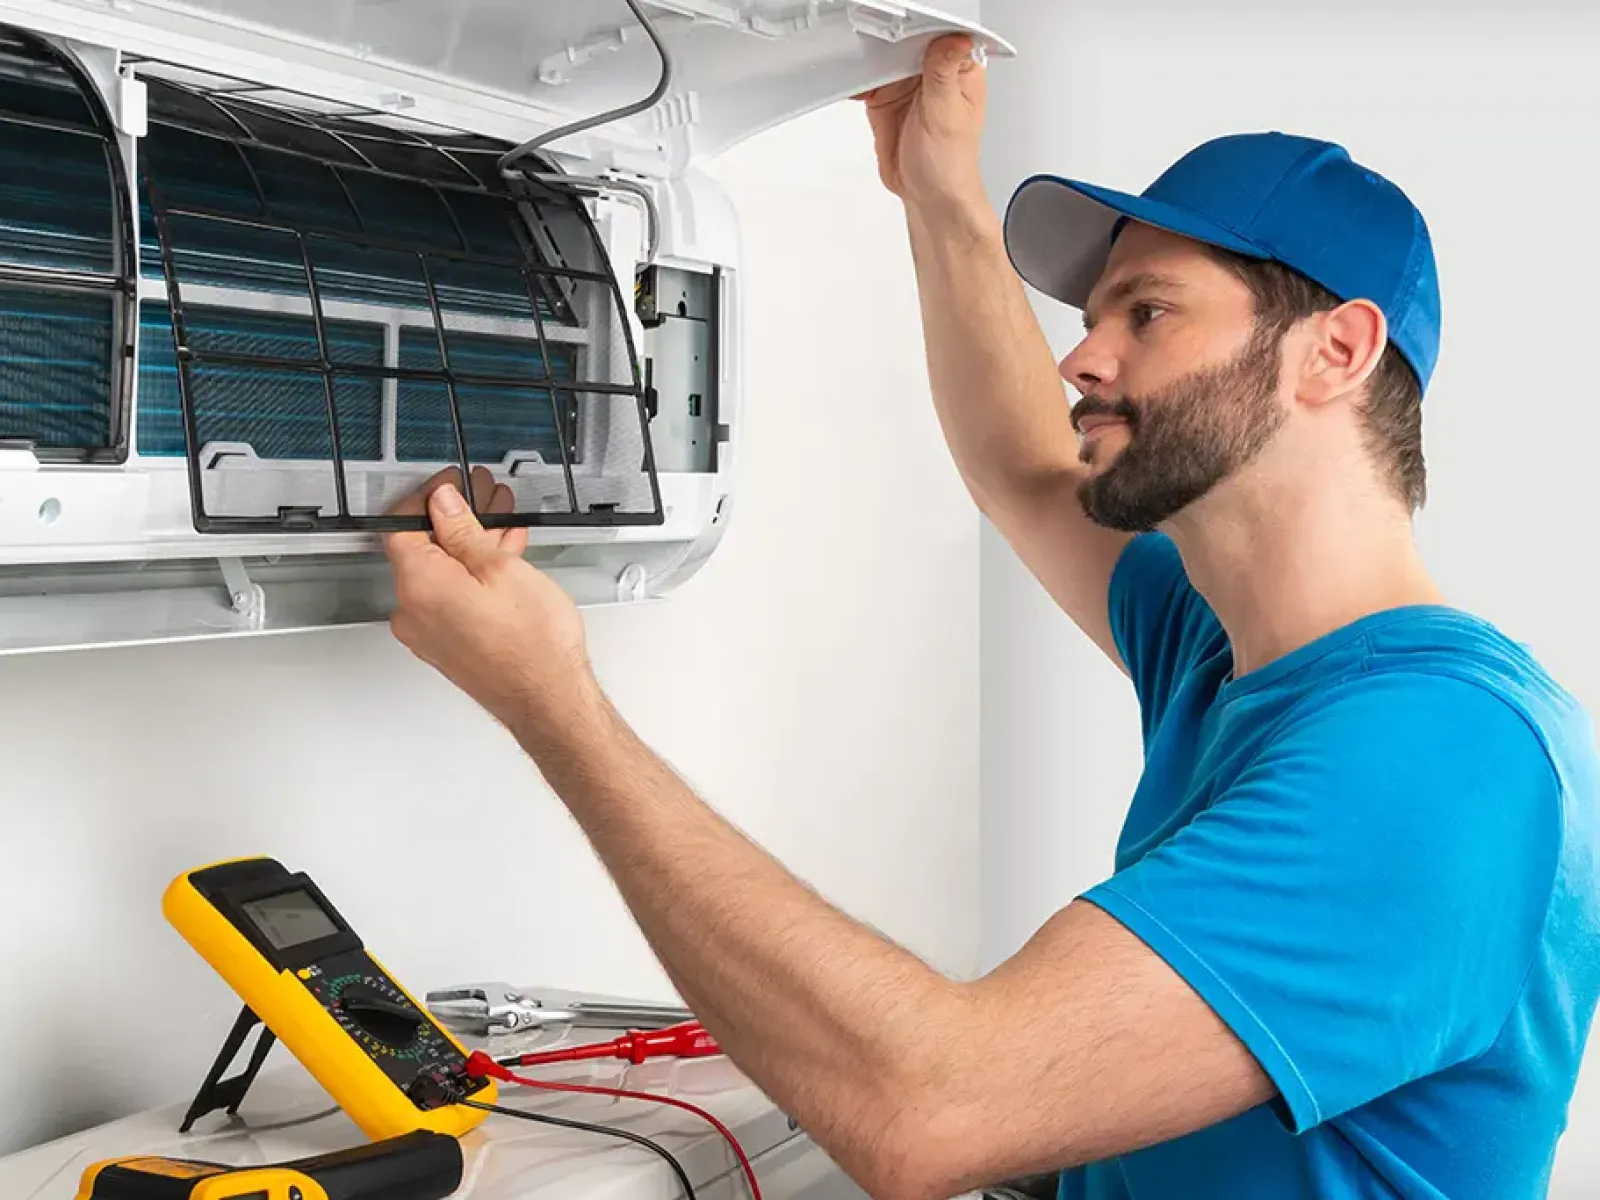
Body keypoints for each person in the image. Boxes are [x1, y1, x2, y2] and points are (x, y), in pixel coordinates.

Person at [381, 33, 1600, 1200]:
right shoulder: (1226, 647)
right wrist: (938, 192)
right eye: (1089, 318)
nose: (1083, 357)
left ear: (1334, 352)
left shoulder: (1436, 761)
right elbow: (1030, 467)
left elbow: (931, 1113)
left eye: (1147, 313)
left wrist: (551, 702)